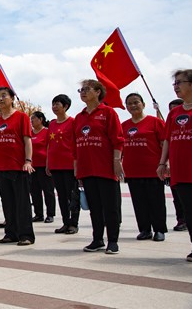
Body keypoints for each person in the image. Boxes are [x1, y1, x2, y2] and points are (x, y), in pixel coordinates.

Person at [73, 79, 124, 254]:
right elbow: (75, 144)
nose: (83, 92)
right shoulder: (79, 117)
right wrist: (77, 167)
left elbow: (117, 140)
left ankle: (113, 241)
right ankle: (97, 239)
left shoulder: (108, 112)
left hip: (105, 168)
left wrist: (116, 161)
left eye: (87, 89)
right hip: (87, 168)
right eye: (81, 90)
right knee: (94, 207)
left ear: (98, 92)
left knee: (110, 207)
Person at [0, 87, 35, 246]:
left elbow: (27, 140)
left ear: (12, 98)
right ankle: (11, 233)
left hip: (19, 167)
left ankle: (26, 235)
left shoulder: (22, 117)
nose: (0, 99)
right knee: (8, 203)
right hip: (1, 169)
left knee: (22, 203)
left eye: (4, 95)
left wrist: (28, 161)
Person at [157, 69, 192, 262]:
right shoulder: (174, 113)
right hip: (181, 170)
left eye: (180, 82)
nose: (176, 87)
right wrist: (163, 162)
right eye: (175, 83)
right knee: (190, 211)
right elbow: (168, 139)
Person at [122, 93, 167, 241]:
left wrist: (165, 163)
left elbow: (164, 144)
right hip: (132, 170)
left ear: (143, 104)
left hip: (153, 169)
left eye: (136, 102)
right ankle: (145, 229)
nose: (133, 106)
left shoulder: (155, 122)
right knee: (139, 202)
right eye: (129, 103)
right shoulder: (124, 125)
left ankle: (159, 229)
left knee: (156, 201)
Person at [46, 94, 80, 234]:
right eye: (53, 104)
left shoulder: (73, 122)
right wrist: (48, 163)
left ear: (65, 106)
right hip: (55, 165)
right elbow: (49, 144)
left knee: (72, 195)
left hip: (69, 165)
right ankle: (66, 222)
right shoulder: (52, 124)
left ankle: (74, 223)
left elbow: (77, 143)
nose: (54, 107)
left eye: (57, 104)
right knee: (61, 195)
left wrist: (77, 164)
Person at [30, 111, 56, 223]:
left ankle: (50, 214)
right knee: (35, 191)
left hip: (44, 166)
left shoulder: (47, 132)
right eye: (31, 119)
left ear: (41, 120)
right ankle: (38, 214)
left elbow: (50, 148)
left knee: (48, 191)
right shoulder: (29, 133)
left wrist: (48, 164)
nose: (31, 121)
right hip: (32, 167)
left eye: (34, 118)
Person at [166, 98, 187, 232]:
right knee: (177, 197)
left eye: (175, 109)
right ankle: (182, 220)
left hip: (190, 166)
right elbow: (166, 143)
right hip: (175, 167)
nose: (173, 112)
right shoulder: (170, 125)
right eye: (171, 110)